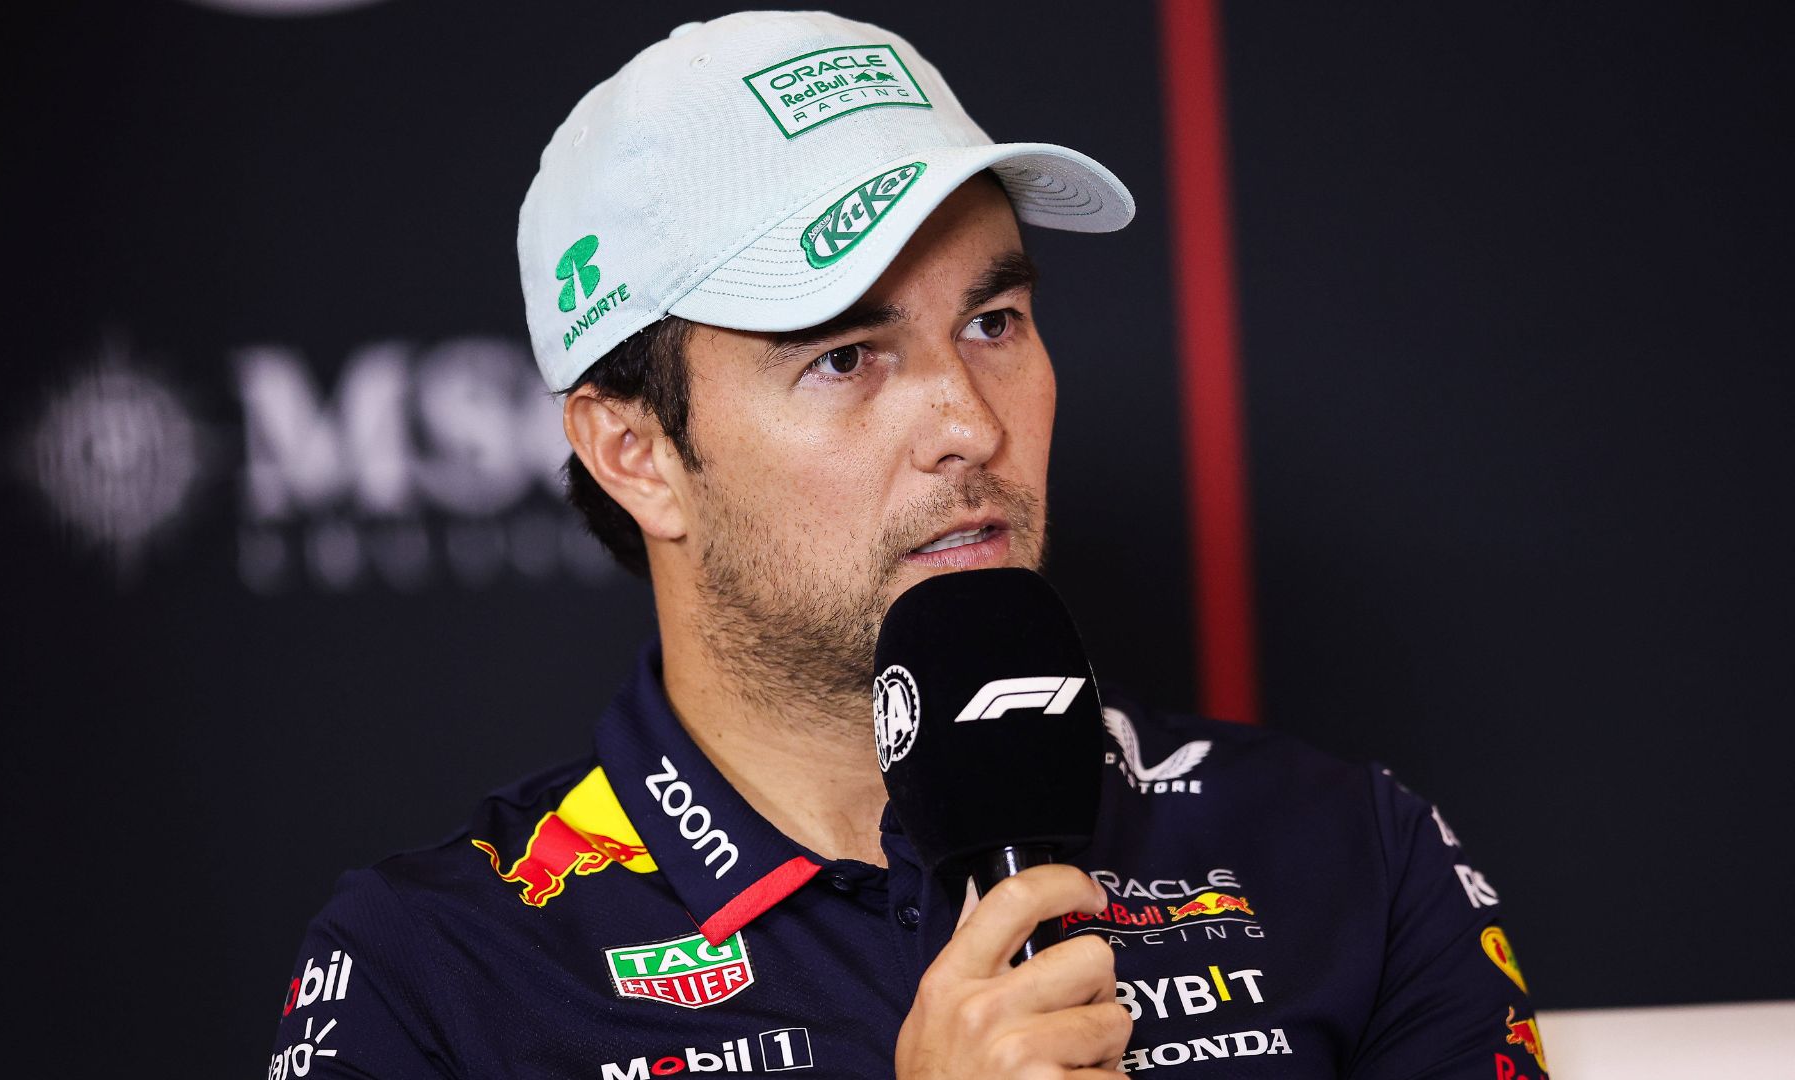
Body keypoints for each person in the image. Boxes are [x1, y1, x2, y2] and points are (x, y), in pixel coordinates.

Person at [267, 11, 1546, 1078]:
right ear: (634, 451)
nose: (969, 425)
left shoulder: (1339, 853)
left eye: (993, 320)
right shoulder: (436, 976)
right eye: (844, 357)